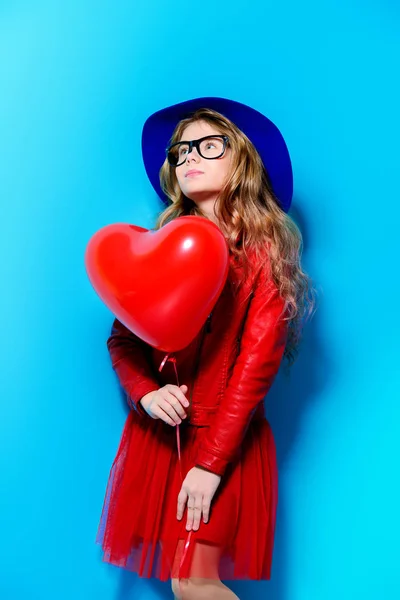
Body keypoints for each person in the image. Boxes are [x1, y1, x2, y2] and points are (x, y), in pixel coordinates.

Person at [95, 97, 317, 599]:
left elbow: (255, 368)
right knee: (184, 582)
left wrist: (211, 463)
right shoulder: (158, 246)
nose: (190, 155)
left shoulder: (265, 253)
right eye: (181, 150)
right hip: (160, 440)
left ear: (241, 158)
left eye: (208, 145)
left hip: (225, 440)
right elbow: (122, 339)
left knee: (193, 582)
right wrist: (146, 392)